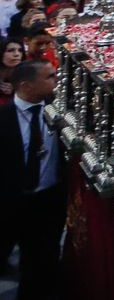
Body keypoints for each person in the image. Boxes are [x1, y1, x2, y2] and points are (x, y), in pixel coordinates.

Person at [1, 60, 64, 300]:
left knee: (41, 262)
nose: (55, 81)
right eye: (49, 77)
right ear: (26, 85)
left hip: (48, 200)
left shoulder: (60, 110)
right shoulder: (4, 118)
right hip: (10, 201)